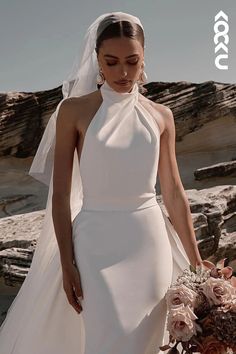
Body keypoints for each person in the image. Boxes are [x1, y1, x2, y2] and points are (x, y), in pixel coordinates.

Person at [0, 11, 204, 354]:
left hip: (148, 241)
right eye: (111, 62)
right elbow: (61, 193)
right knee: (108, 338)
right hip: (95, 242)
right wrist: (66, 262)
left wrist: (197, 262)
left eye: (132, 61)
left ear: (144, 58)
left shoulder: (161, 115)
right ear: (97, 60)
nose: (123, 72)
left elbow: (172, 190)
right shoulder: (74, 111)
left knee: (146, 340)